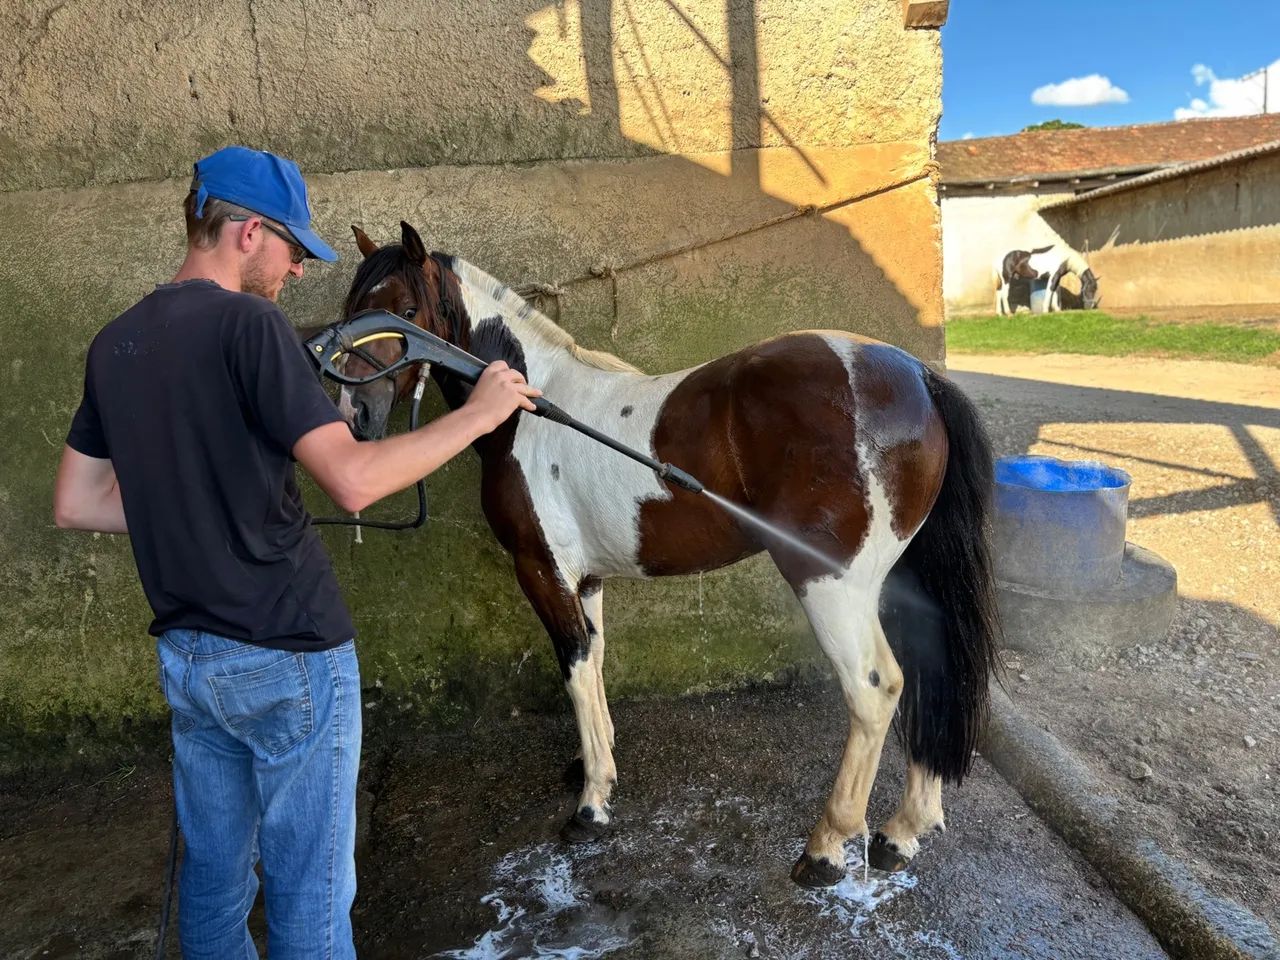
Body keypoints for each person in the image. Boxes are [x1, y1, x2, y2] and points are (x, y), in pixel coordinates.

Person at [52, 145, 539, 959]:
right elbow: (350, 480)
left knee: (212, 880)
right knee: (309, 895)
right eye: (292, 249)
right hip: (290, 652)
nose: (300, 271)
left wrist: (193, 508)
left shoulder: (116, 343)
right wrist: (480, 414)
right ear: (247, 233)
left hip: (190, 657)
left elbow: (78, 503)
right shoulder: (251, 326)